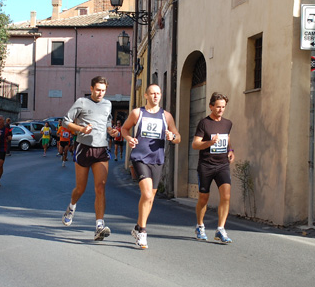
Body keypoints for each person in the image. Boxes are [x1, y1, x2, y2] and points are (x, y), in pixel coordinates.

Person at [122, 84, 181, 249]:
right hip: (140, 157)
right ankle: (142, 231)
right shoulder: (137, 113)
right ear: (146, 96)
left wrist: (172, 136)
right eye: (152, 93)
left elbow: (178, 137)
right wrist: (129, 139)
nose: (155, 96)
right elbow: (124, 129)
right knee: (146, 194)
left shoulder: (166, 116)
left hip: (157, 159)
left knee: (150, 198)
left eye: (158, 93)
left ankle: (137, 226)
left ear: (161, 95)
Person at [61, 76, 119, 240]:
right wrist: (81, 128)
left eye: (103, 90)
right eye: (98, 90)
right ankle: (71, 206)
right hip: (84, 148)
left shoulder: (108, 104)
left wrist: (111, 130)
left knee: (100, 187)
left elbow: (107, 122)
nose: (100, 93)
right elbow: (66, 121)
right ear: (91, 88)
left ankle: (99, 225)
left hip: (101, 149)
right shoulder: (81, 102)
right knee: (80, 189)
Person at [192, 92, 235, 244]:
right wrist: (210, 143)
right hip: (206, 165)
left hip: (222, 164)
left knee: (226, 196)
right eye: (217, 107)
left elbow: (227, 138)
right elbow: (195, 144)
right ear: (211, 106)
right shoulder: (204, 123)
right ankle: (200, 225)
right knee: (204, 198)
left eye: (223, 107)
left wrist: (230, 150)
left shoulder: (227, 123)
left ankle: (220, 229)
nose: (220, 110)